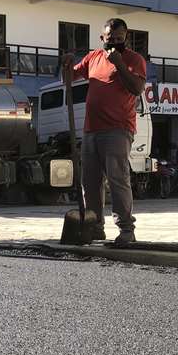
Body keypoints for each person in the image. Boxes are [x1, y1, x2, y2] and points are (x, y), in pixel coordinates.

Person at [61, 18, 147, 245]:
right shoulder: (93, 57)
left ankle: (126, 229)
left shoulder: (133, 59)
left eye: (120, 39)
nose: (115, 43)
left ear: (126, 38)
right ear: (102, 39)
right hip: (91, 129)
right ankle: (95, 226)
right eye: (111, 39)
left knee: (118, 179)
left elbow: (137, 89)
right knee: (89, 182)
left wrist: (119, 64)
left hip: (118, 129)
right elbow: (67, 80)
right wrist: (67, 65)